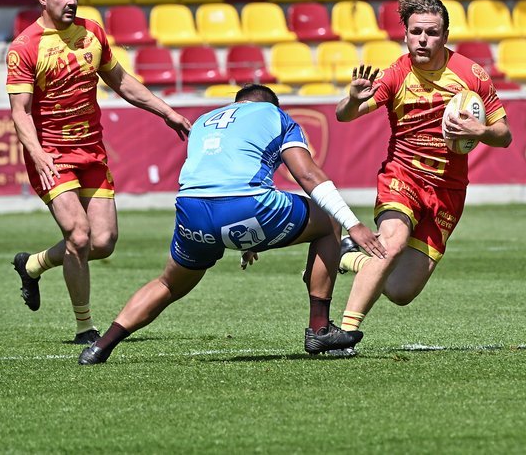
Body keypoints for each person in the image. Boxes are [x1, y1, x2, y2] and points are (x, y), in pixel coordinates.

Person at [78, 85, 386, 365]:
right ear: (270, 104)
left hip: (191, 209)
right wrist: (353, 223)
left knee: (169, 283)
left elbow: (216, 177)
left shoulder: (204, 120)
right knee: (328, 220)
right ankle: (320, 328)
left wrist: (249, 237)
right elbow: (307, 176)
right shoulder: (275, 116)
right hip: (244, 205)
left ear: (238, 103)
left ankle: (100, 347)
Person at [6, 0, 192, 344]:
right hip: (52, 155)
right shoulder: (24, 47)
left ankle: (34, 264)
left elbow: (122, 82)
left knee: (103, 242)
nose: (71, 0)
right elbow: (20, 112)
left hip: (91, 151)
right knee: (78, 234)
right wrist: (38, 155)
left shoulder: (92, 33)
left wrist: (167, 112)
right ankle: (84, 327)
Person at [331, 0, 512, 354]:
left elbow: (504, 135)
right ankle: (344, 333)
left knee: (400, 292)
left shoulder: (471, 75)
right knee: (393, 242)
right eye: (416, 32)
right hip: (403, 177)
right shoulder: (396, 74)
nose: (423, 40)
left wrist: (482, 133)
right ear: (406, 35)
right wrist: (351, 98)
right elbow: (344, 115)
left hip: (448, 190)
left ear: (445, 35)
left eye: (431, 32)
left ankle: (351, 256)